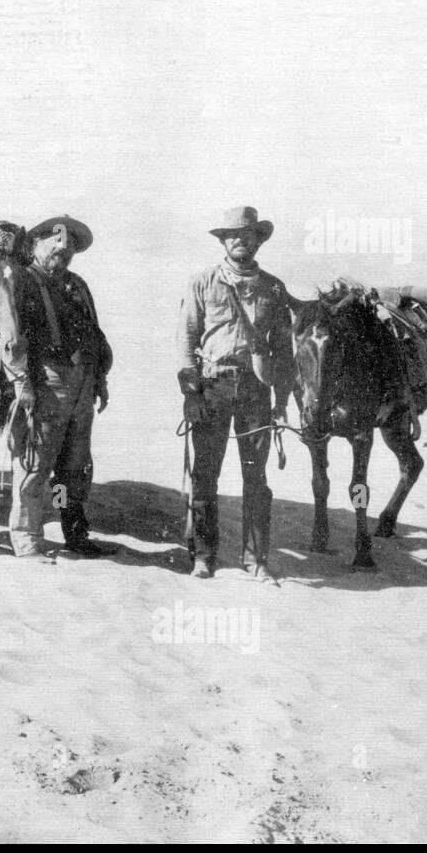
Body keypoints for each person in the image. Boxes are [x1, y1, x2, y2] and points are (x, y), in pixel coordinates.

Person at [176, 205, 293, 584]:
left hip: (257, 391)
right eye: (232, 234)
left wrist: (281, 403)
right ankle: (204, 557)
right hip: (213, 386)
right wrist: (190, 394)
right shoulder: (203, 282)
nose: (240, 240)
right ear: (223, 240)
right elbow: (186, 341)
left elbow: (285, 352)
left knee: (255, 480)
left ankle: (256, 560)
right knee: (206, 475)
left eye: (248, 235)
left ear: (258, 241)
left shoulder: (274, 288)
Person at [4, 216, 114, 559]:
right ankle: (27, 539)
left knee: (72, 468)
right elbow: (8, 339)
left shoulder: (77, 285)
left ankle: (74, 534)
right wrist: (23, 384)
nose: (62, 250)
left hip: (82, 385)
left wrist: (100, 379)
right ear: (35, 243)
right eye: (55, 242)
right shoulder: (20, 282)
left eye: (69, 248)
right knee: (36, 465)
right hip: (45, 381)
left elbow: (95, 333)